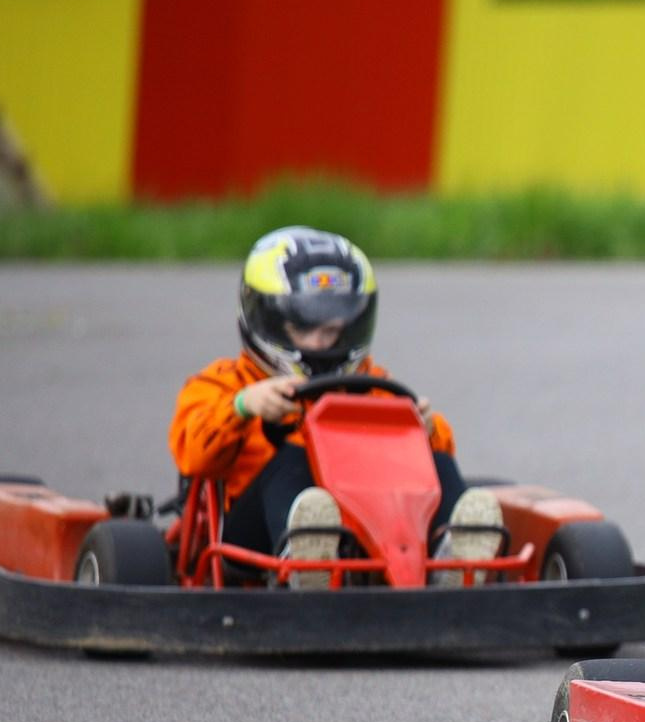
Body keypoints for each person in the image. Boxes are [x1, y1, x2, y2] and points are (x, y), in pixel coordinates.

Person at [169, 226, 500, 588]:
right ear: (267, 320)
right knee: (295, 459)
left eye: (333, 330)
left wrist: (423, 430)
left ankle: (452, 560)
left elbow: (424, 465)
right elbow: (194, 456)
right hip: (251, 538)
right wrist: (244, 407)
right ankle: (306, 561)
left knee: (435, 463)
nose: (320, 343)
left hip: (365, 533)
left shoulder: (372, 384)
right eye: (303, 328)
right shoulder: (223, 384)